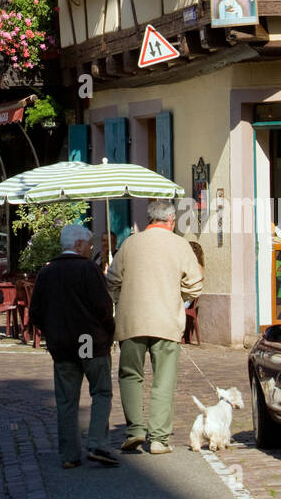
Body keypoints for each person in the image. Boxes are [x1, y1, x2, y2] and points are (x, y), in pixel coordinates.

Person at [106, 199, 204, 455]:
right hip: (166, 321)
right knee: (164, 379)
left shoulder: (129, 243)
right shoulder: (180, 245)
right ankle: (159, 439)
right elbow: (196, 284)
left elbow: (112, 279)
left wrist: (120, 300)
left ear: (150, 219)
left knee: (130, 375)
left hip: (131, 320)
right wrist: (177, 297)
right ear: (171, 221)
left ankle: (135, 430)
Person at [29, 225, 119, 468]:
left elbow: (35, 312)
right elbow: (103, 307)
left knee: (67, 400)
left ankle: (69, 455)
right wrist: (109, 332)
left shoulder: (47, 272)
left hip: (62, 344)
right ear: (78, 245)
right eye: (89, 245)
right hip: (88, 342)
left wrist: (50, 333)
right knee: (101, 391)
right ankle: (97, 442)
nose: (91, 249)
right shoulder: (88, 269)